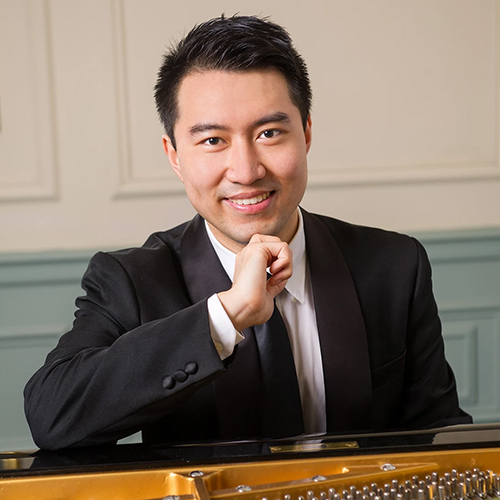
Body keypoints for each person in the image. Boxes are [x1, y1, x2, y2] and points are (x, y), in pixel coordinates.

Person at [24, 15, 471, 450]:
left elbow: (438, 434)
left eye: (270, 132)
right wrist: (227, 315)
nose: (246, 170)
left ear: (307, 133)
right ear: (175, 155)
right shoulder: (130, 279)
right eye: (213, 140)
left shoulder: (394, 265)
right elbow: (53, 417)